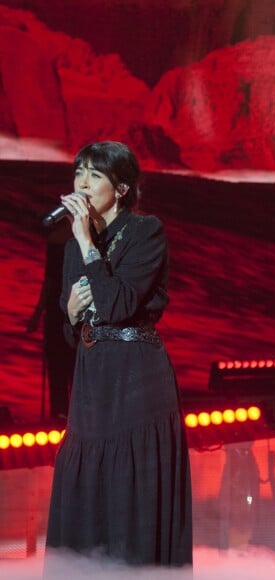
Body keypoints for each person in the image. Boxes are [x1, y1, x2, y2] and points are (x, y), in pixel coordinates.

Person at [44, 141, 193, 572]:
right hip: (93, 381)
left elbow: (117, 304)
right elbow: (77, 328)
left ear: (122, 187)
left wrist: (87, 244)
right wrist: (69, 316)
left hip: (137, 378)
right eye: (79, 173)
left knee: (131, 485)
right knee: (84, 481)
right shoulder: (76, 243)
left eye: (94, 175)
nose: (82, 183)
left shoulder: (146, 232)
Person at [27, 221, 75, 422]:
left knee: (61, 363)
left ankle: (61, 412)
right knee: (70, 362)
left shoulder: (62, 242)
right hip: (70, 310)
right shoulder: (79, 241)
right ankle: (69, 412)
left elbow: (50, 281)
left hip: (63, 310)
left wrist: (38, 314)